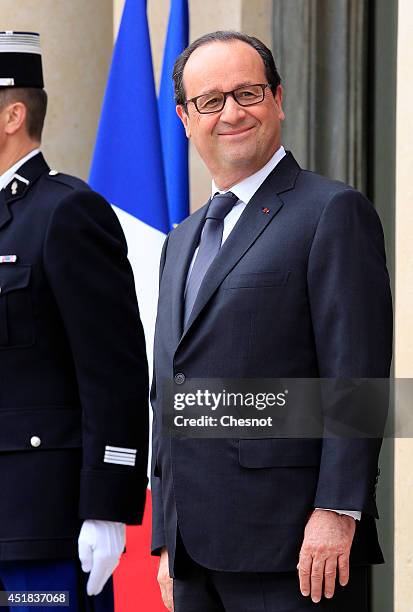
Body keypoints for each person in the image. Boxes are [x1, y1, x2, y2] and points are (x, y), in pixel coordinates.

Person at [151, 31, 393, 611]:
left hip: (296, 550)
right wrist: (165, 536)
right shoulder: (181, 239)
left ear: (278, 98)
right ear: (186, 118)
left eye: (248, 93)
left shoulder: (331, 212)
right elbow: (171, 389)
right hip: (194, 552)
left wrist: (338, 511)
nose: (231, 112)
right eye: (210, 101)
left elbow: (356, 380)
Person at [0, 31, 149, 611]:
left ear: (14, 114)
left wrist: (107, 505)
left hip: (44, 521)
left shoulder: (65, 211)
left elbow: (112, 369)